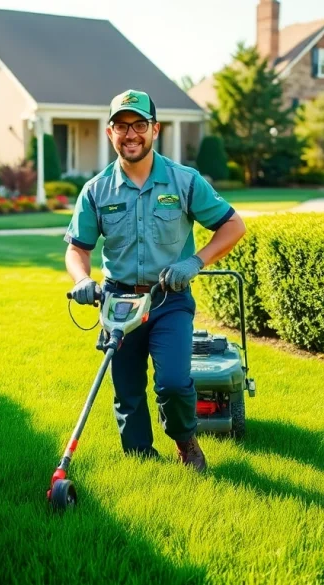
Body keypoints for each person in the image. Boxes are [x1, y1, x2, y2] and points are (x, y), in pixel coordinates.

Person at [63, 89, 246, 471]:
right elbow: (77, 248)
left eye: (139, 125)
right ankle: (140, 459)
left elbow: (233, 225)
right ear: (110, 133)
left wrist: (194, 262)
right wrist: (81, 279)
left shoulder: (185, 181)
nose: (130, 134)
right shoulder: (96, 190)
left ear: (155, 129)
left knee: (174, 383)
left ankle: (185, 441)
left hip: (169, 299)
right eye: (121, 126)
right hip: (118, 302)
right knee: (127, 391)